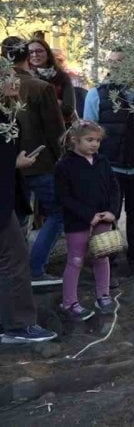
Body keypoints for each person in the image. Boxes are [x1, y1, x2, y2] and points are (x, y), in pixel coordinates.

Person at [83, 48, 134, 276]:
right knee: (110, 215)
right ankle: (109, 261)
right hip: (111, 167)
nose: (114, 66)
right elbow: (89, 131)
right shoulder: (96, 94)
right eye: (111, 62)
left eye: (120, 62)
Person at [0, 64, 57, 343]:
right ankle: (18, 325)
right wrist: (15, 162)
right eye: (7, 79)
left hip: (8, 195)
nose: (14, 83)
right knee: (14, 257)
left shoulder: (8, 111)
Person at [3, 37, 66, 286]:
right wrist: (63, 160)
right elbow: (56, 132)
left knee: (17, 218)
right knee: (58, 213)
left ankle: (17, 273)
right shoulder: (41, 88)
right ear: (26, 57)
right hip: (40, 163)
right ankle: (35, 269)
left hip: (10, 166)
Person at [54, 120, 120, 321]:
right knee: (75, 260)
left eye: (97, 140)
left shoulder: (103, 161)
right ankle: (69, 302)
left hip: (103, 219)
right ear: (75, 140)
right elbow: (63, 197)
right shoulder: (64, 165)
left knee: (102, 256)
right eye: (89, 140)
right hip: (78, 221)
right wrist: (87, 215)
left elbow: (115, 188)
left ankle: (103, 295)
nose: (94, 144)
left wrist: (112, 211)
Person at [26, 38, 76, 127]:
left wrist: (45, 101)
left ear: (48, 53)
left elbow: (68, 109)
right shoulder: (26, 78)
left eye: (39, 51)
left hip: (61, 128)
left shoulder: (62, 76)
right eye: (30, 52)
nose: (35, 55)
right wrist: (57, 101)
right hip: (35, 129)